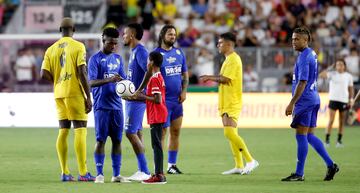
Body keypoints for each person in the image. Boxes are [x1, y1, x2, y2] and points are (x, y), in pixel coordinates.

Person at [40, 17, 95, 182]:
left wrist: (58, 80)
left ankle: (64, 172)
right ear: (74, 30)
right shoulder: (78, 46)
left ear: (60, 30)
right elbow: (82, 72)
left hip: (58, 93)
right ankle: (84, 173)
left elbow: (43, 74)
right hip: (74, 92)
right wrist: (88, 96)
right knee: (80, 129)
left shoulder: (50, 49)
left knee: (63, 130)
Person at [282, 27, 339, 182]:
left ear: (305, 40)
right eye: (293, 38)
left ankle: (299, 174)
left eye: (297, 39)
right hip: (314, 98)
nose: (293, 41)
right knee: (309, 135)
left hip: (305, 100)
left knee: (301, 136)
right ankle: (331, 165)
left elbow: (302, 82)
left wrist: (291, 103)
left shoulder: (304, 57)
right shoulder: (311, 53)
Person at [199, 32, 259, 175]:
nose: (218, 45)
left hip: (232, 101)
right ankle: (239, 165)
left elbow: (226, 79)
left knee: (229, 132)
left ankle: (251, 160)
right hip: (226, 100)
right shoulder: (227, 59)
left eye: (220, 43)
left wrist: (209, 77)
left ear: (229, 44)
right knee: (232, 133)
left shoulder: (233, 59)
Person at [135, 24, 189, 174]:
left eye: (174, 34)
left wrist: (184, 91)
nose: (173, 36)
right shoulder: (155, 54)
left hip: (177, 101)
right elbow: (148, 73)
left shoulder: (179, 53)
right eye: (170, 34)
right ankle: (159, 168)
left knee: (176, 132)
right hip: (163, 101)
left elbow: (185, 75)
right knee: (161, 135)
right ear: (163, 36)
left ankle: (171, 165)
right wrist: (139, 90)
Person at [88, 27, 129, 183]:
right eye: (110, 43)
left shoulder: (118, 59)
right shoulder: (95, 59)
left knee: (118, 141)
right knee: (101, 140)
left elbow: (123, 80)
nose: (113, 46)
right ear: (103, 40)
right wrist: (109, 79)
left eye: (115, 43)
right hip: (102, 107)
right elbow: (91, 82)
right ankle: (99, 174)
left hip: (117, 107)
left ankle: (116, 175)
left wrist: (129, 89)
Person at [122, 23, 150, 181]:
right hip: (131, 98)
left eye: (125, 34)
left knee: (130, 132)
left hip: (137, 100)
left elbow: (149, 71)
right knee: (138, 132)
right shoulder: (134, 51)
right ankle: (142, 170)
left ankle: (145, 170)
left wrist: (139, 90)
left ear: (131, 35)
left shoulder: (140, 51)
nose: (123, 36)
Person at [137, 51, 168, 184]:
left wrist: (141, 96)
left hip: (157, 114)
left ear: (152, 63)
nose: (146, 63)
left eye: (148, 61)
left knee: (156, 145)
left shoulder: (155, 78)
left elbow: (157, 99)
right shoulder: (158, 77)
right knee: (157, 145)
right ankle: (160, 174)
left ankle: (158, 175)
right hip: (158, 114)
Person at [319, 59, 354, 147]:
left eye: (341, 65)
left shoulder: (348, 76)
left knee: (342, 121)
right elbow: (321, 75)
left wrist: (351, 98)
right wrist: (329, 68)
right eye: (338, 65)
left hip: (343, 100)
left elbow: (351, 89)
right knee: (331, 120)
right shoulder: (332, 74)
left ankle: (339, 141)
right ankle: (327, 140)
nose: (339, 66)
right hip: (333, 99)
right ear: (335, 66)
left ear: (344, 66)